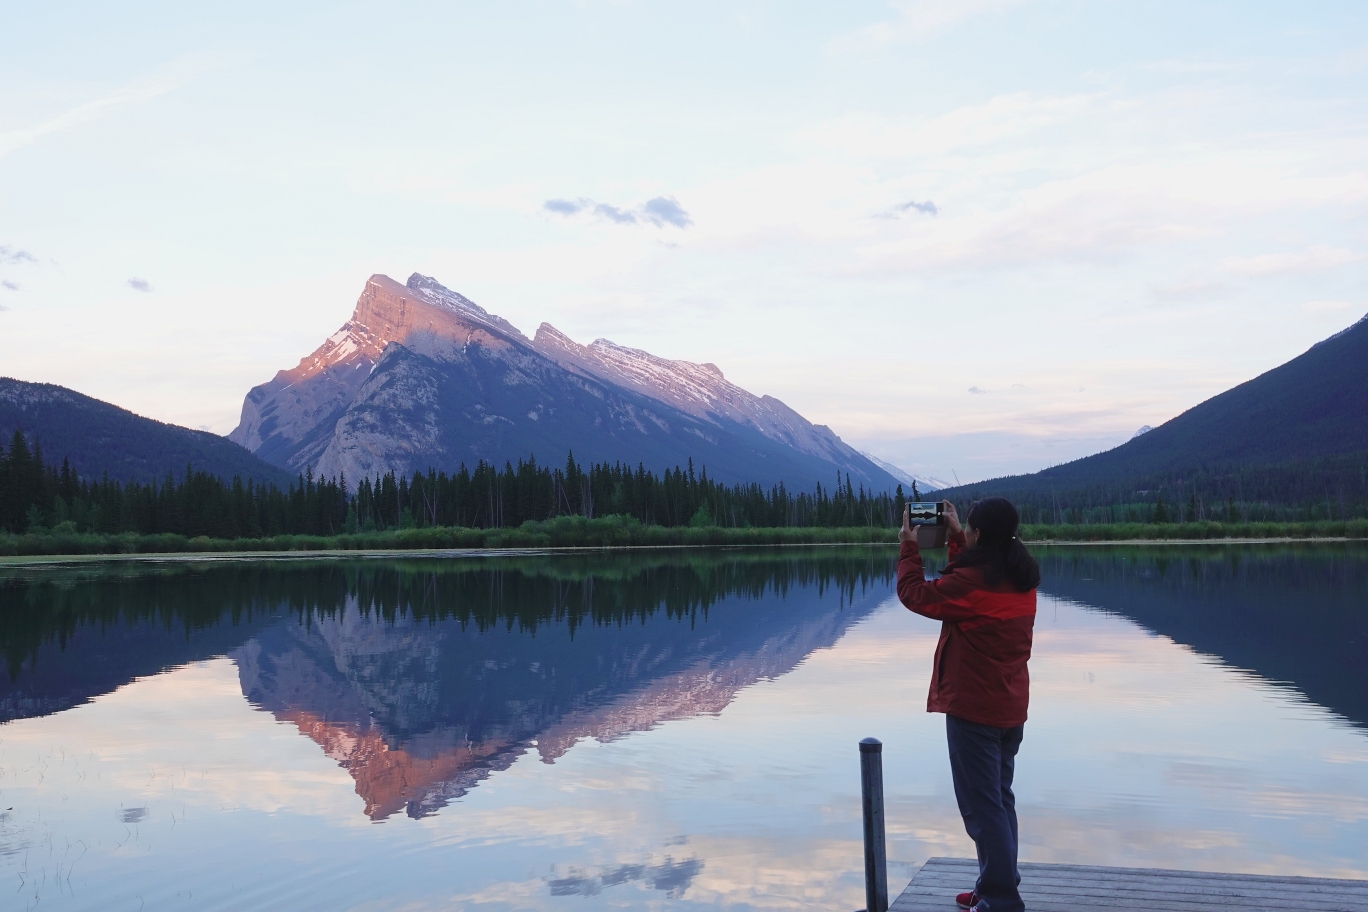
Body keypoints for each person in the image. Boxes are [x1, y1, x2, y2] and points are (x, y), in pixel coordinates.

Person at [897, 497, 1040, 912]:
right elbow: (969, 582)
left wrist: (909, 547)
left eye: (970, 531)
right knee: (999, 798)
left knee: (982, 806)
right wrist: (959, 535)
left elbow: (916, 594)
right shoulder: (1018, 576)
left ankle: (999, 897)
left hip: (975, 709)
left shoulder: (976, 582)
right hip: (1009, 707)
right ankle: (996, 882)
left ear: (981, 535)